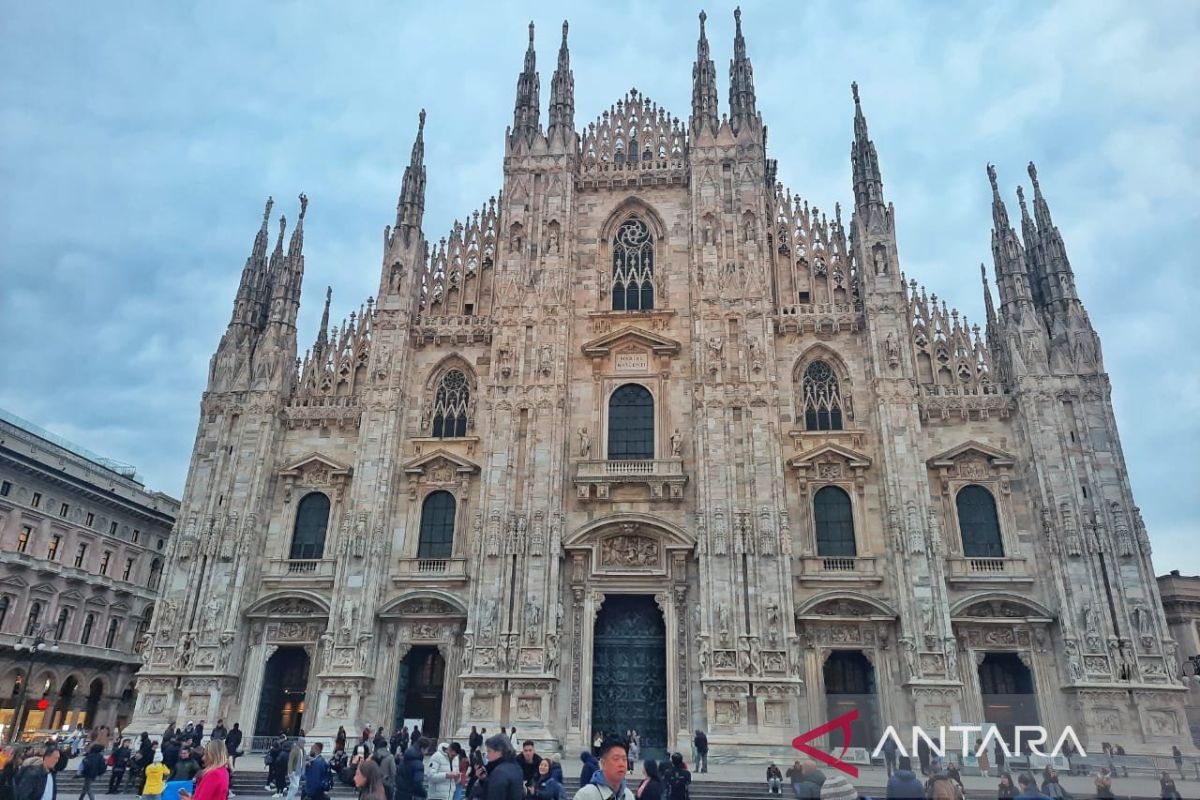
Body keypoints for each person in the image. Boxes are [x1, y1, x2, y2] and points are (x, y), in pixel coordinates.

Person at [468, 733, 522, 800]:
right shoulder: (516, 767)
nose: (487, 756)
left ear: (499, 751)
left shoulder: (499, 772)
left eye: (489, 751)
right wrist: (484, 780)